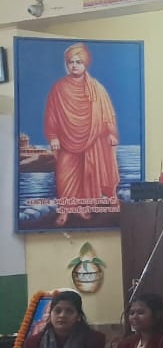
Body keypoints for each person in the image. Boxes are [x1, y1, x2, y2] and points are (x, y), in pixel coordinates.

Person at [43, 41, 120, 225]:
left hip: (93, 138)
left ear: (85, 63)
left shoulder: (97, 88)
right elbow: (51, 114)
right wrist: (53, 136)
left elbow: (107, 114)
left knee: (88, 174)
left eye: (78, 62)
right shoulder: (58, 88)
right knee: (64, 176)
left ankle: (83, 208)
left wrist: (111, 133)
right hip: (66, 140)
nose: (74, 65)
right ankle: (65, 210)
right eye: (71, 62)